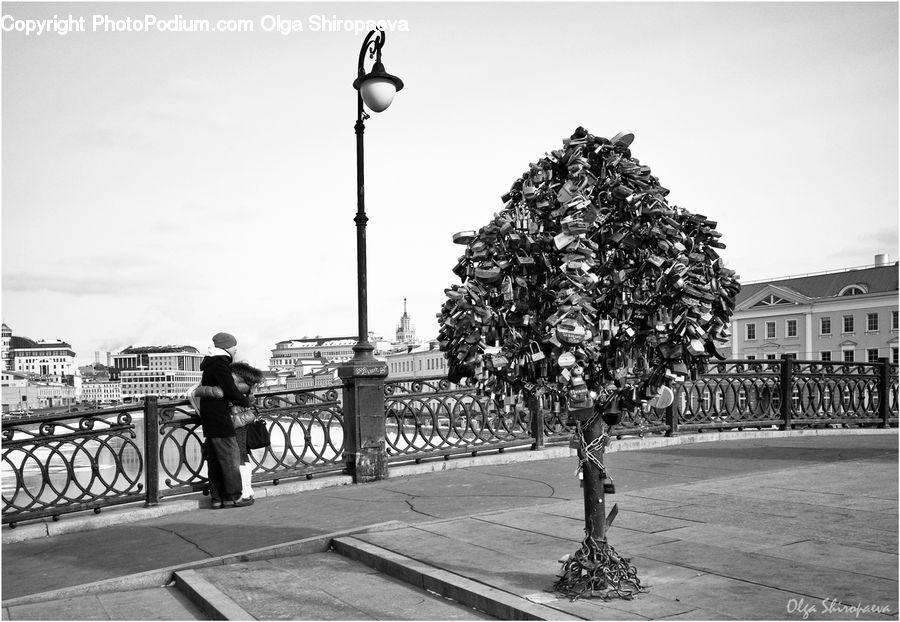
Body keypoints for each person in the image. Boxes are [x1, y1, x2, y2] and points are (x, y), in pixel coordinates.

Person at [198, 332, 253, 509]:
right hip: (220, 416)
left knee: (214, 458)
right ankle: (234, 497)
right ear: (225, 346)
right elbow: (230, 389)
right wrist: (245, 401)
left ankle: (217, 498)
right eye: (233, 345)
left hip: (209, 416)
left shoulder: (209, 364)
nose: (235, 348)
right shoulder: (221, 364)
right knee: (230, 456)